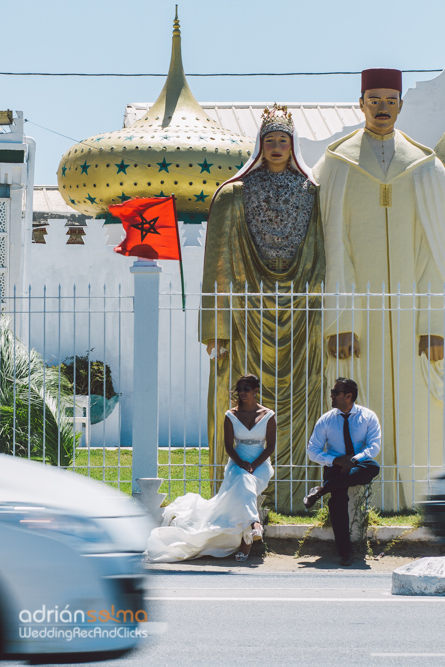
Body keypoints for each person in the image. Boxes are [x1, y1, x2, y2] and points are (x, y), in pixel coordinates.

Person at [312, 69, 445, 509]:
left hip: (413, 317)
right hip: (358, 319)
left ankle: (418, 494)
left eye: (390, 100)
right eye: (374, 99)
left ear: (401, 105)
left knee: (417, 405)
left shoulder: (426, 167)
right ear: (360, 103)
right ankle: (364, 498)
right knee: (359, 401)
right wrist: (340, 321)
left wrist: (436, 323)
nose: (382, 107)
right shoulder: (337, 165)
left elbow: (437, 254)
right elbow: (333, 250)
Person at [200, 104, 326, 510]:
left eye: (282, 140)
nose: (275, 147)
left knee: (302, 392)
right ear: (259, 145)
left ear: (293, 146)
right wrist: (215, 329)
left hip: (300, 311)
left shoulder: (313, 192)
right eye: (269, 140)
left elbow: (323, 253)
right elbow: (217, 267)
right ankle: (240, 497)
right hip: (247, 314)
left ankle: (293, 494)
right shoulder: (234, 194)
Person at [146, 375, 275, 563]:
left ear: (256, 390)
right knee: (242, 480)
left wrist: (254, 465)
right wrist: (242, 464)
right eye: (240, 389)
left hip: (260, 465)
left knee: (245, 482)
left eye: (247, 388)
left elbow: (270, 446)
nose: (242, 392)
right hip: (237, 463)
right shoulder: (231, 415)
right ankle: (251, 530)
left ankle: (250, 532)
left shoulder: (268, 415)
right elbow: (229, 447)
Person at [304, 378, 381, 566]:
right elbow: (312, 450)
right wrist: (336, 460)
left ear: (348, 396)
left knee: (374, 466)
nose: (331, 395)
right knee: (338, 503)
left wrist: (354, 459)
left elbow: (374, 446)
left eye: (335, 392)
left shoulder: (368, 416)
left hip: (358, 463)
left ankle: (322, 490)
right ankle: (345, 553)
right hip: (334, 466)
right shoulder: (327, 419)